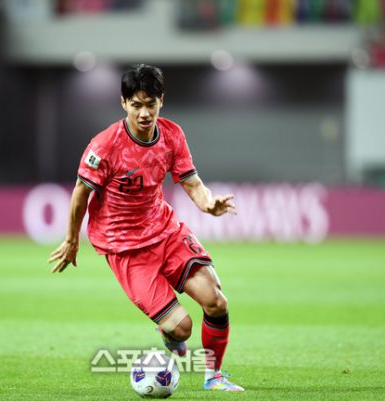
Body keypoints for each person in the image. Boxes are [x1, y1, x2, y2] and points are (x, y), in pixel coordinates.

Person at [48, 64, 244, 391]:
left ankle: (214, 377)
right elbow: (81, 193)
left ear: (161, 101)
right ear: (123, 103)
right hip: (125, 248)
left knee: (216, 301)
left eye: (150, 104)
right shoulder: (104, 146)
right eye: (136, 105)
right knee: (182, 328)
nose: (144, 113)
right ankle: (170, 333)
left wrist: (209, 204)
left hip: (165, 231)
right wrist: (71, 240)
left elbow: (192, 183)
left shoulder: (171, 135)